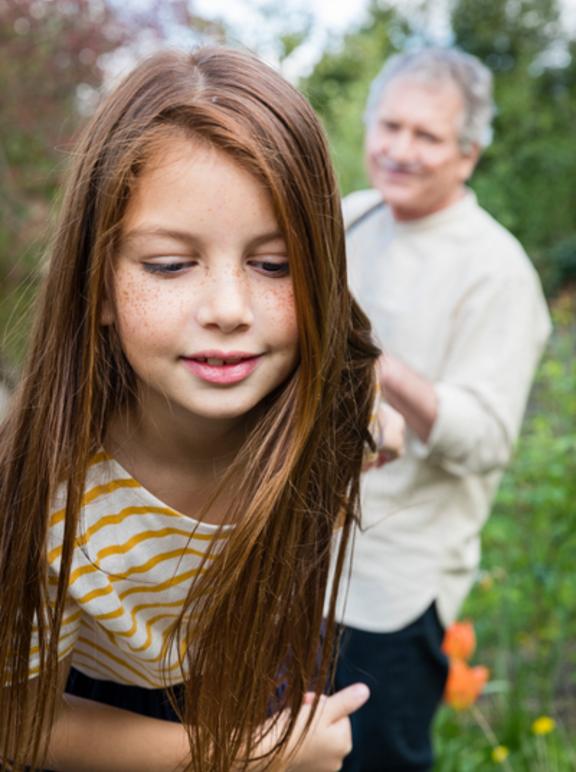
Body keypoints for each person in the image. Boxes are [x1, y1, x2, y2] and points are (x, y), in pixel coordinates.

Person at [0, 45, 385, 772]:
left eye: (273, 265)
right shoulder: (49, 504)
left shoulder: (324, 406)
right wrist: (254, 757)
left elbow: (364, 390)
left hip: (259, 678)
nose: (229, 310)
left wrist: (376, 424)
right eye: (170, 264)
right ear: (98, 286)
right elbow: (18, 723)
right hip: (110, 727)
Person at [332, 48, 552, 772]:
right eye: (389, 125)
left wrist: (376, 364)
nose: (399, 150)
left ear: (468, 155)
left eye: (427, 136)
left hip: (394, 588)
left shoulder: (496, 270)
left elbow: (487, 439)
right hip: (301, 565)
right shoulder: (354, 218)